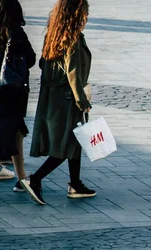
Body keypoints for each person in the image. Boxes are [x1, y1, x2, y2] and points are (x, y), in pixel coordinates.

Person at [21, 0, 94, 205]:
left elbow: (44, 64)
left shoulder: (53, 35)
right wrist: (82, 101)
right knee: (66, 145)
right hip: (67, 100)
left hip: (53, 98)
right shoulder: (73, 39)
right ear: (77, 14)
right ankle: (34, 180)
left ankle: (76, 183)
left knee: (74, 140)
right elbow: (73, 73)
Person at [0, 0, 35, 200]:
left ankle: (22, 179)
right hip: (12, 93)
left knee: (16, 133)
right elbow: (30, 58)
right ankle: (17, 178)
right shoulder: (16, 32)